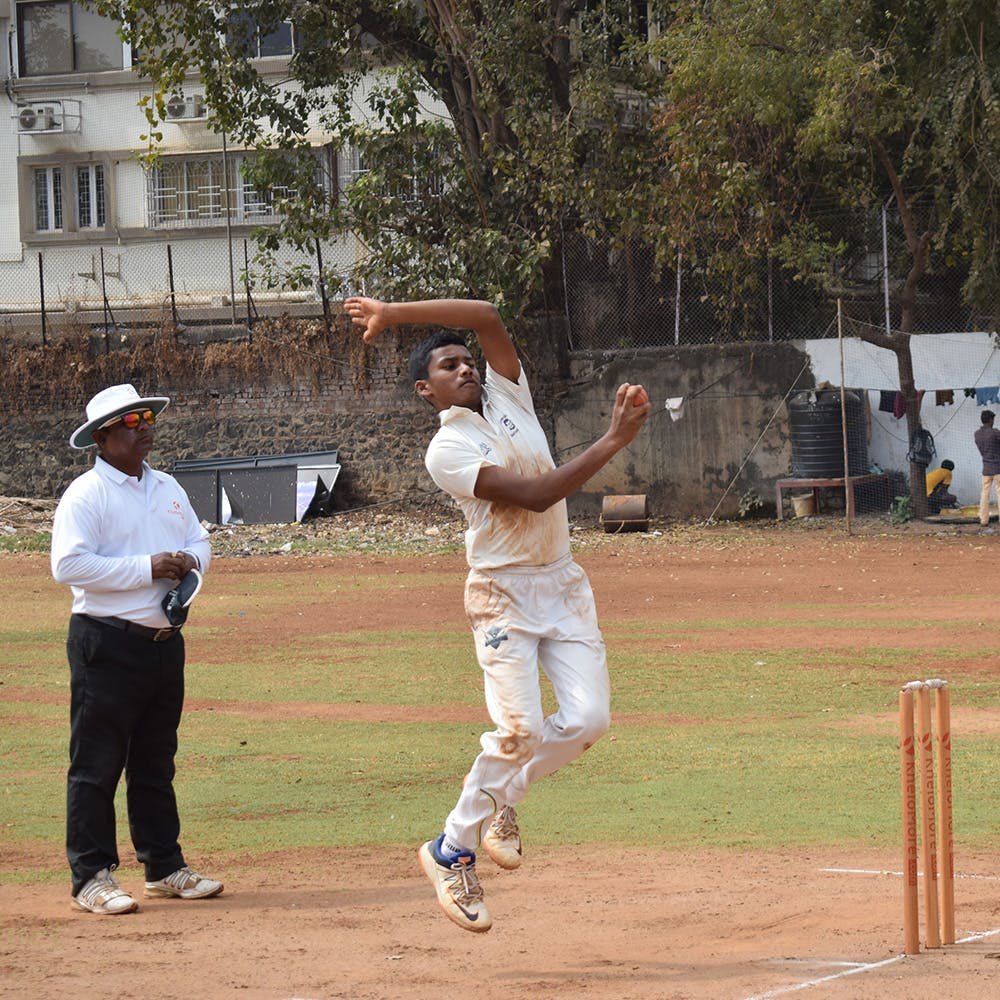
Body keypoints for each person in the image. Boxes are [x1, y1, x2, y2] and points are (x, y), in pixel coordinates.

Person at [344, 296, 650, 933]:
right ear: (426, 392)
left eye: (467, 360)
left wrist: (391, 312)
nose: (465, 369)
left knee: (591, 719)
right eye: (448, 367)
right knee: (519, 733)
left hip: (563, 585)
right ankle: (452, 850)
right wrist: (614, 440)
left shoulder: (512, 397)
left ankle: (503, 795)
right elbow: (538, 496)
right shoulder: (447, 450)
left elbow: (485, 313)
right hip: (501, 594)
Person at [51, 384, 223, 915]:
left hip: (164, 643)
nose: (144, 425)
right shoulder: (86, 494)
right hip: (106, 641)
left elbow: (200, 542)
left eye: (146, 416)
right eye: (130, 421)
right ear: (102, 437)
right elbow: (69, 567)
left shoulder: (166, 485)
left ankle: (164, 866)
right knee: (96, 764)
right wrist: (147, 567)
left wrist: (190, 563)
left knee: (155, 760)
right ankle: (91, 877)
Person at [974, 410, 1000, 532]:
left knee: (984, 494)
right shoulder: (995, 433)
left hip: (986, 468)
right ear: (990, 420)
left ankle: (983, 520)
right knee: (999, 493)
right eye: (993, 419)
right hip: (998, 467)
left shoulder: (977, 434)